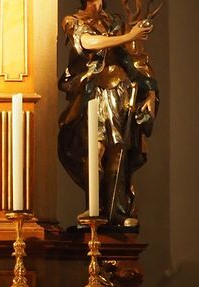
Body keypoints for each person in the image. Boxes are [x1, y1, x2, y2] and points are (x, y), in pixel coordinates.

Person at [58, 0, 158, 228]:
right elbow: (87, 42)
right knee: (97, 147)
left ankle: (116, 212)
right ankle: (95, 209)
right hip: (95, 92)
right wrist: (129, 36)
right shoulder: (73, 21)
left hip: (121, 91)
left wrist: (151, 92)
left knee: (118, 150)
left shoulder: (114, 22)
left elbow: (136, 57)